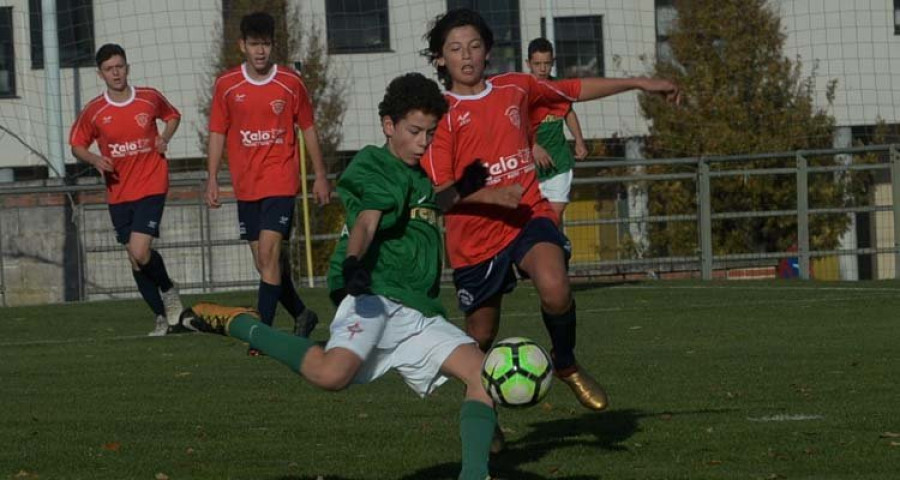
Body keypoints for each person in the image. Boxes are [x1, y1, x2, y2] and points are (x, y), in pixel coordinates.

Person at [181, 72, 496, 480]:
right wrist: (353, 264)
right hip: (376, 296)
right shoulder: (375, 164)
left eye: (430, 133)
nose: (423, 142)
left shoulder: (417, 176)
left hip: (417, 310)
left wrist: (462, 189)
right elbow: (367, 221)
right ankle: (242, 324)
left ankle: (475, 475)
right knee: (330, 375)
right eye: (415, 131)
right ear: (389, 125)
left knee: (483, 374)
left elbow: (421, 206)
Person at [420, 8, 680, 419]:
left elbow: (574, 88)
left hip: (527, 214)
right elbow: (443, 195)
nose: (466, 56)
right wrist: (491, 195)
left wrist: (639, 83)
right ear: (440, 58)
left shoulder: (516, 88)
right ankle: (481, 406)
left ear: (488, 49)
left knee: (556, 287)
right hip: (475, 239)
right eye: (455, 49)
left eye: (474, 45)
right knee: (480, 337)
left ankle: (565, 363)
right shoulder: (439, 115)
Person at [206, 12, 331, 351]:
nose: (260, 51)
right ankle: (303, 314)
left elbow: (307, 128)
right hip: (246, 186)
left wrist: (319, 175)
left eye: (265, 44)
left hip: (280, 180)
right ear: (242, 46)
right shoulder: (227, 85)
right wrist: (213, 178)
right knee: (265, 263)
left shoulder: (290, 83)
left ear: (273, 45)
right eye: (254, 44)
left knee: (268, 253)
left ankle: (261, 336)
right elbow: (217, 132)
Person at [70, 43, 184, 336]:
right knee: (134, 258)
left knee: (139, 249)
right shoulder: (95, 111)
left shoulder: (148, 98)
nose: (116, 73)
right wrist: (94, 158)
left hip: (151, 183)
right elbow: (77, 145)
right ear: (100, 74)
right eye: (109, 69)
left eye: (119, 66)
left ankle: (170, 291)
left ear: (127, 68)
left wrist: (165, 138)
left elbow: (172, 116)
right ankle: (162, 317)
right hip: (119, 191)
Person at [526, 37, 589, 219]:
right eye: (537, 64)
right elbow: (513, 126)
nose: (542, 68)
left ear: (553, 62)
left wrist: (579, 140)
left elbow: (568, 112)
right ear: (528, 63)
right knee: (532, 219)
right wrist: (533, 146)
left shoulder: (559, 88)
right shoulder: (522, 92)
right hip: (530, 168)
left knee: (554, 215)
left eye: (547, 63)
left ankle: (556, 245)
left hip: (558, 163)